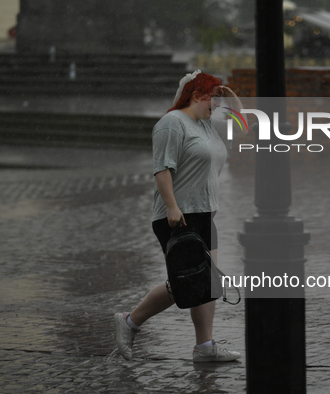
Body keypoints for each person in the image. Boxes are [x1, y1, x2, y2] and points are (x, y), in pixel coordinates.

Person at [114, 70, 245, 363]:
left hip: (204, 211)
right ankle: (130, 322)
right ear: (196, 95)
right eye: (212, 96)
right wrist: (172, 207)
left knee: (205, 281)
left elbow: (244, 126)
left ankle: (205, 346)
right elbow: (162, 169)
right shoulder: (171, 124)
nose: (216, 104)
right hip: (178, 215)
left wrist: (230, 97)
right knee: (189, 281)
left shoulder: (208, 125)